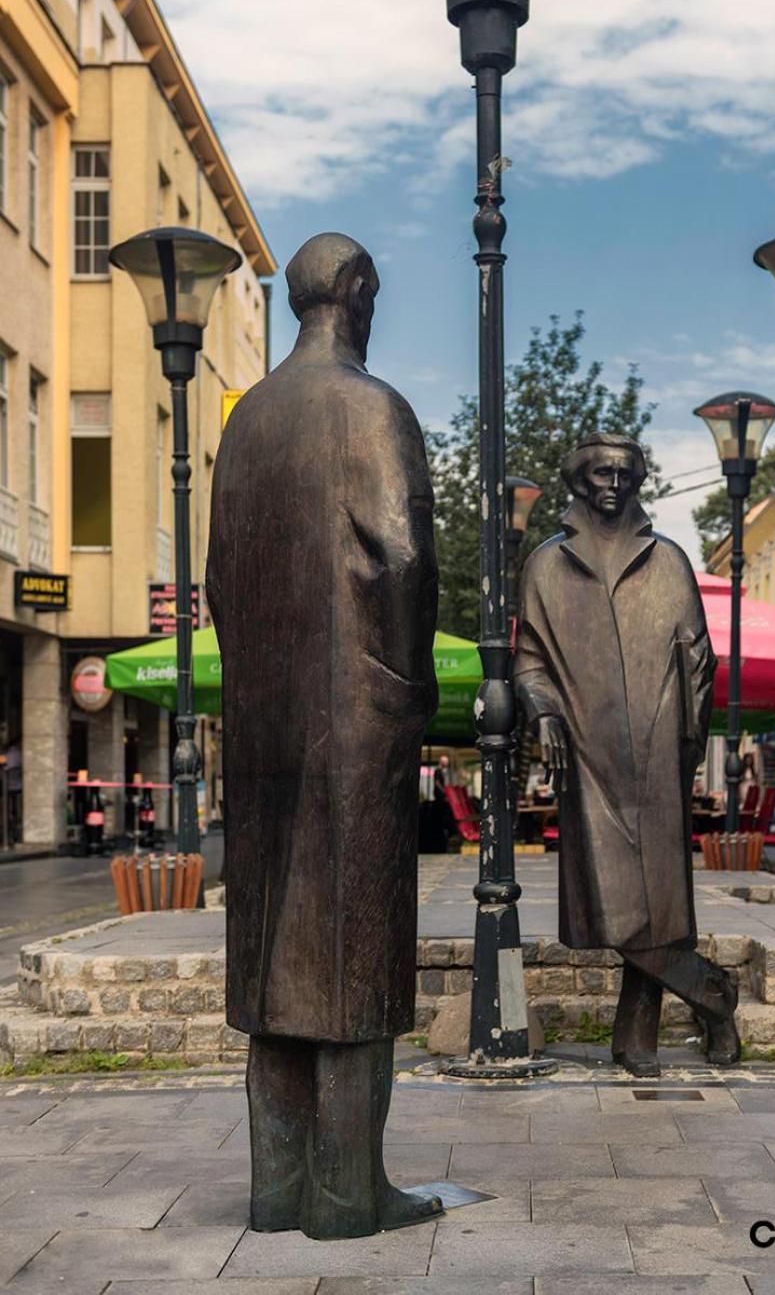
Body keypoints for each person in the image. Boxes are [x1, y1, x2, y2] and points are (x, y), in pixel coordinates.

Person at [206, 234, 441, 1240]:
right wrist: (410, 688)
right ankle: (348, 1193)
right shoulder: (371, 405)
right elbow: (400, 558)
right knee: (352, 957)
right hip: (355, 723)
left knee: (273, 960)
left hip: (263, 724)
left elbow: (220, 575)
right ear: (351, 292)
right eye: (372, 292)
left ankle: (275, 1189)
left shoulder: (248, 420)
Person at [514, 432, 739, 1078]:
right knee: (616, 907)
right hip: (587, 751)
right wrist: (544, 709)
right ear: (579, 480)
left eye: (624, 473)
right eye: (600, 472)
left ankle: (636, 1036)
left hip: (660, 750)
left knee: (656, 904)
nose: (613, 483)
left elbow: (698, 657)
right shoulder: (546, 566)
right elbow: (529, 660)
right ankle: (714, 996)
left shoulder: (669, 561)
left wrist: (687, 744)